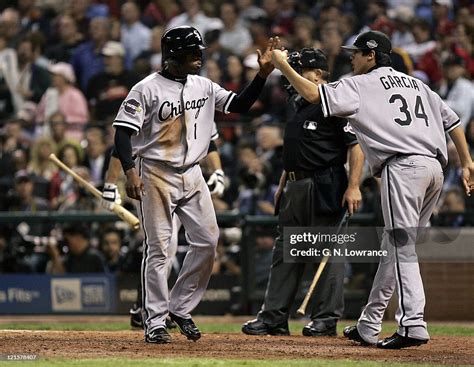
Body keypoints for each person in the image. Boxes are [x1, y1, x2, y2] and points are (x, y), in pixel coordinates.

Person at [271, 30, 474, 349]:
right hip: (434, 168)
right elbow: (453, 122)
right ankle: (369, 323)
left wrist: (283, 66)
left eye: (356, 53)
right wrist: (466, 161)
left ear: (371, 55)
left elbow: (313, 96)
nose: (350, 57)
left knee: (401, 248)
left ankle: (413, 324)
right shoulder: (418, 84)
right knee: (395, 249)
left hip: (403, 167)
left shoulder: (360, 84)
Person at [111, 25, 277, 345]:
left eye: (199, 53)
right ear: (173, 56)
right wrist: (130, 172)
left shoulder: (203, 84)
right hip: (156, 172)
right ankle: (155, 321)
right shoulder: (146, 89)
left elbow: (239, 106)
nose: (198, 58)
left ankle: (179, 307)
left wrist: (261, 76)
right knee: (159, 248)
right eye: (191, 54)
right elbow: (121, 133)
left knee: (208, 240)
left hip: (193, 172)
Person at [242, 48, 364, 337]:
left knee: (326, 253)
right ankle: (273, 317)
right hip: (296, 184)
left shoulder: (334, 99)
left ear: (318, 74)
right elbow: (298, 148)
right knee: (285, 252)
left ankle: (325, 319)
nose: (291, 77)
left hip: (325, 183)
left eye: (299, 71)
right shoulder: (296, 102)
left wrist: (354, 185)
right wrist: (285, 181)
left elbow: (355, 145)